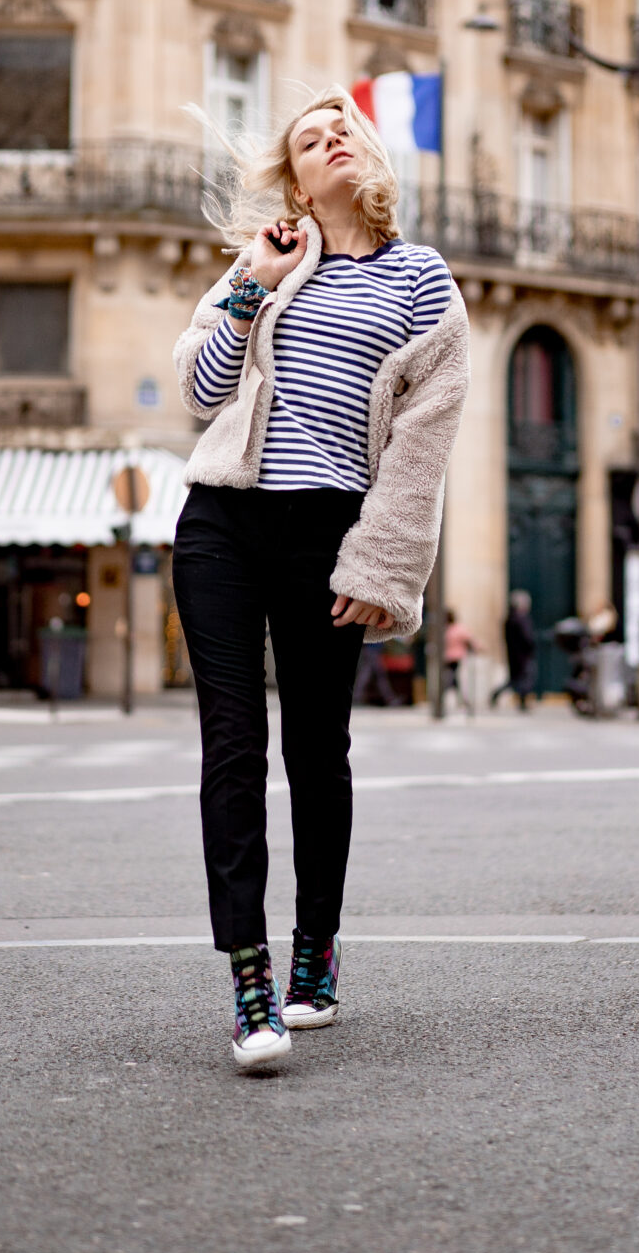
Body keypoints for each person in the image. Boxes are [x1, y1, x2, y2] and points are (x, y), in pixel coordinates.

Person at [172, 87, 470, 1070]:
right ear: (294, 176)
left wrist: (381, 564)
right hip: (223, 518)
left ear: (365, 155)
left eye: (341, 128)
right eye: (309, 137)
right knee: (230, 746)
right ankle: (248, 982)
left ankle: (315, 954)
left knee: (315, 751)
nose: (330, 138)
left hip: (329, 535)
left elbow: (424, 439)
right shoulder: (266, 260)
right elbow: (197, 390)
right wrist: (252, 283)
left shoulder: (421, 280)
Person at [490, 589, 537, 709]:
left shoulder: (509, 619)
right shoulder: (521, 620)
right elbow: (528, 637)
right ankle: (522, 702)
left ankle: (497, 694)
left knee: (514, 680)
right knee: (526, 679)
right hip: (523, 655)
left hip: (513, 654)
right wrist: (531, 647)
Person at [442, 608, 478, 714]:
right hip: (457, 658)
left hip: (448, 658)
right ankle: (461, 699)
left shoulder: (445, 630)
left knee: (453, 678)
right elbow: (470, 640)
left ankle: (459, 698)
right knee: (454, 678)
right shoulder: (458, 629)